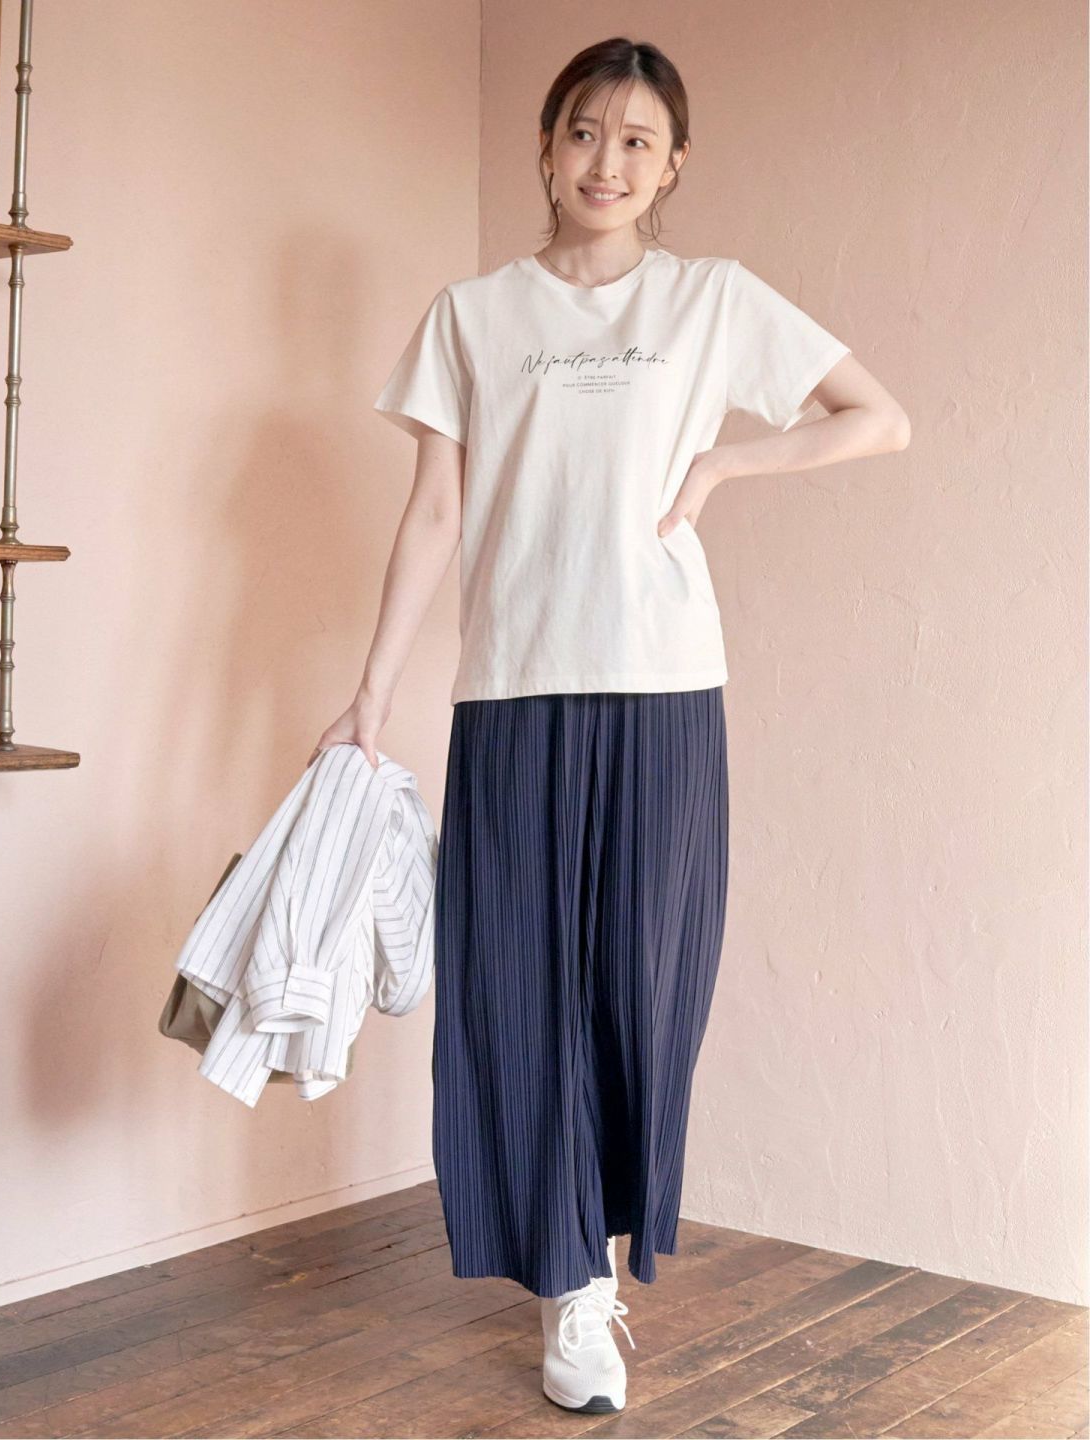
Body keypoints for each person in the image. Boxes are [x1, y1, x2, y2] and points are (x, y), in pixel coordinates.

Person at [308, 35, 910, 1416]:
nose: (607, 162)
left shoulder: (712, 301)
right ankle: (570, 1286)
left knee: (644, 982)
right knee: (516, 987)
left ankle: (604, 1241)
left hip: (664, 685)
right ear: (545, 146)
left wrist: (727, 462)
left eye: (638, 141)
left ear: (673, 165)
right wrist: (375, 687)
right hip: (513, 691)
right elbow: (437, 511)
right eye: (585, 132)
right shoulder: (473, 316)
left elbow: (876, 419)